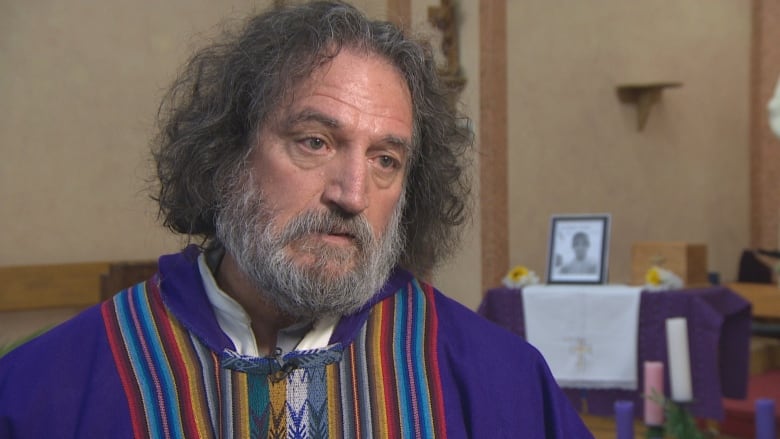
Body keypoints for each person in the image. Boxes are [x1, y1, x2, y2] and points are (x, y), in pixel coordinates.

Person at [0, 2, 592, 437]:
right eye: (315, 142)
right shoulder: (50, 390)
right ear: (227, 152)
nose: (352, 194)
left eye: (386, 159)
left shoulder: (498, 385)